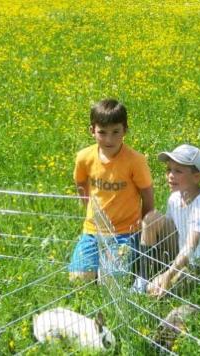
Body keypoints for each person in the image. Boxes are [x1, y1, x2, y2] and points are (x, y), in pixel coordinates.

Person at [68, 99, 154, 282]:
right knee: (78, 279)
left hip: (125, 232)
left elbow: (147, 193)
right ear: (92, 130)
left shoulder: (135, 161)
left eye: (116, 132)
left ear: (125, 130)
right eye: (102, 132)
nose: (109, 139)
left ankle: (118, 261)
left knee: (113, 281)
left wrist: (143, 228)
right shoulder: (84, 157)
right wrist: (89, 210)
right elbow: (81, 184)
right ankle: (94, 261)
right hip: (93, 229)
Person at [132, 144, 200, 298]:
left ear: (197, 177)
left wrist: (168, 275)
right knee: (151, 218)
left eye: (178, 171)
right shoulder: (175, 198)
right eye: (169, 169)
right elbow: (168, 233)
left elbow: (190, 247)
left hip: (199, 266)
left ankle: (161, 282)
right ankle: (143, 277)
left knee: (154, 291)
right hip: (180, 255)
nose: (170, 175)